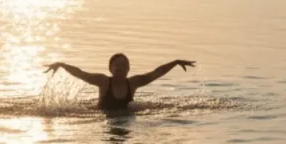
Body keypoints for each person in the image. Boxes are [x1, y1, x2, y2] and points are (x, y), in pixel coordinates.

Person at [45, 54, 196, 111]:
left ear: (129, 69)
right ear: (110, 68)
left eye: (124, 65)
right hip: (104, 119)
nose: (120, 68)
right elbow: (81, 74)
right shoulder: (103, 81)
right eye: (116, 65)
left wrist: (175, 62)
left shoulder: (133, 83)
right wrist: (62, 65)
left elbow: (156, 73)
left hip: (127, 121)